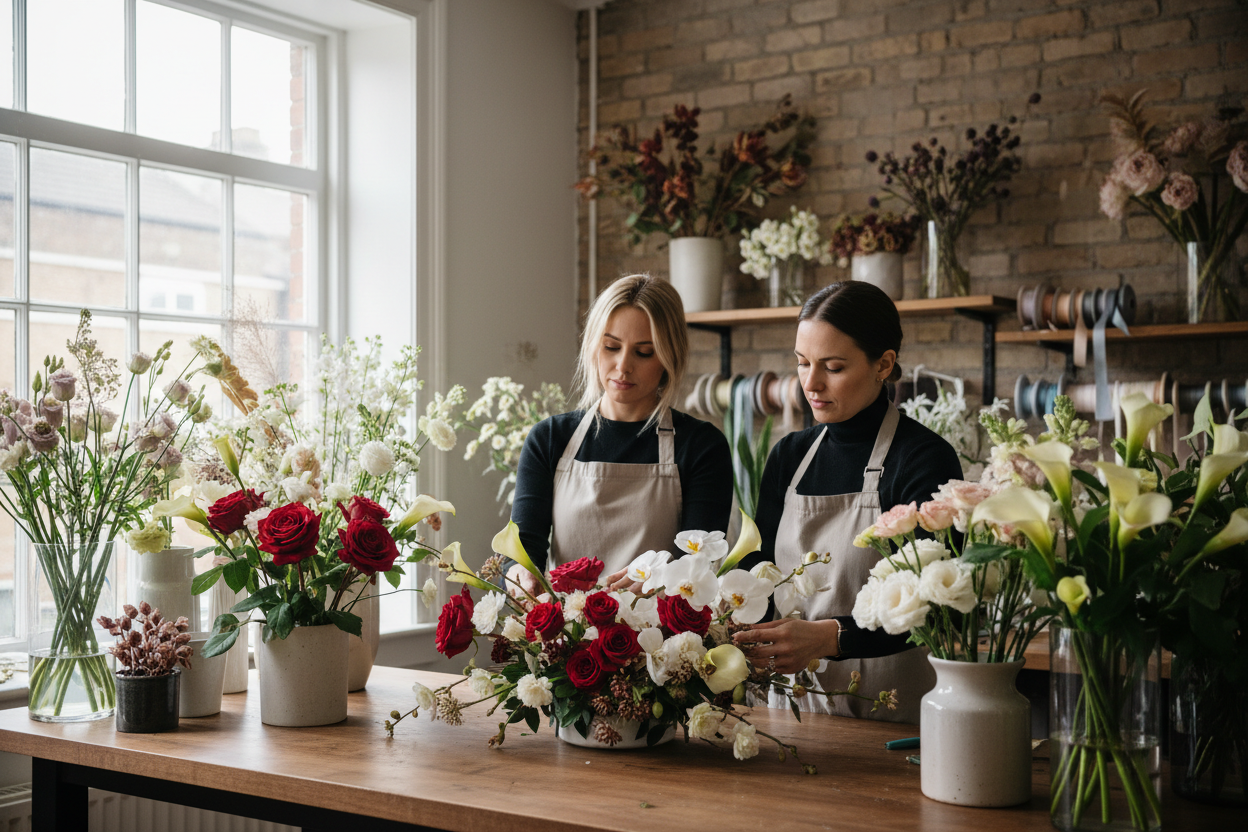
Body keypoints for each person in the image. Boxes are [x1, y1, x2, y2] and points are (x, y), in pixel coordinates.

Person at [734, 281, 962, 723]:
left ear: (884, 364)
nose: (811, 383)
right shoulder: (789, 456)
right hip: (789, 708)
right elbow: (758, 571)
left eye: (833, 367)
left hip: (889, 711)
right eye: (802, 363)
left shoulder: (922, 459)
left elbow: (939, 610)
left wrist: (828, 638)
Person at [507, 274, 732, 594]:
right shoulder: (550, 439)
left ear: (669, 358)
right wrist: (519, 576)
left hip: (663, 639)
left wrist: (654, 576)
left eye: (643, 352)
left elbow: (698, 563)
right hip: (566, 637)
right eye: (611, 347)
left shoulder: (700, 447)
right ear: (593, 346)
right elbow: (523, 549)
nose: (622, 366)